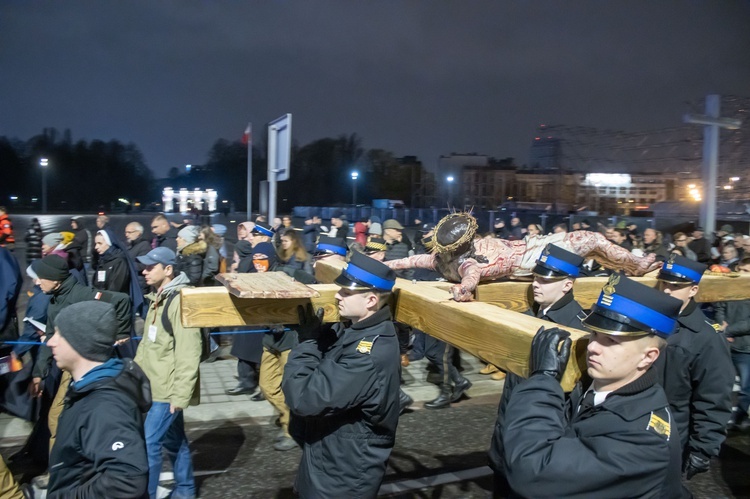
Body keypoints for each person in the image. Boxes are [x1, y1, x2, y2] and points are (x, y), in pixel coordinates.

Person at [494, 274, 684, 498]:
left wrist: (542, 382)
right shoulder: (592, 387)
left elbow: (533, 470)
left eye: (611, 341)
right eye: (594, 333)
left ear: (648, 357)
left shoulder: (645, 441)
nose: (593, 346)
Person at [282, 251, 401, 498]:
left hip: (342, 477)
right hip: (331, 460)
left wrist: (307, 344)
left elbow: (304, 399)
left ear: (370, 300)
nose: (337, 296)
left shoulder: (367, 354)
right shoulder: (358, 331)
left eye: (346, 293)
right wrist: (323, 336)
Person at [385, 212, 660, 302]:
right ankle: (636, 265)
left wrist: (381, 264)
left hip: (528, 245)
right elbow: (470, 279)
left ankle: (633, 266)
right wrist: (463, 290)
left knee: (593, 245)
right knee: (592, 240)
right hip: (531, 257)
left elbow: (409, 260)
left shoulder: (440, 261)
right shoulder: (468, 264)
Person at [46, 301, 150, 498]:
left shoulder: (105, 407)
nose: (50, 341)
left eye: (59, 334)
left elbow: (128, 479)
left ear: (80, 342)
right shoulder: (88, 387)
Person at [654, 254, 734, 481]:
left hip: (673, 436)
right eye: (664, 283)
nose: (667, 290)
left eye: (676, 286)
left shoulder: (706, 337)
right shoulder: (652, 321)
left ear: (693, 290)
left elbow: (714, 396)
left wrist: (703, 448)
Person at [134, 247, 201, 498]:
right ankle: (185, 490)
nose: (145, 271)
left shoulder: (179, 301)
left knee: (148, 444)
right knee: (175, 442)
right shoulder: (157, 297)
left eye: (151, 267)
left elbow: (189, 352)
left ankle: (148, 495)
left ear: (169, 269)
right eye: (145, 266)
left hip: (166, 390)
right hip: (153, 385)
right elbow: (148, 345)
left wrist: (180, 395)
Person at [226, 223, 277, 398]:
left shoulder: (263, 250)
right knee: (247, 346)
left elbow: (249, 271)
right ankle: (248, 382)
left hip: (259, 306)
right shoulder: (261, 249)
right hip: (253, 306)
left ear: (263, 237)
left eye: (253, 236)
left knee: (258, 348)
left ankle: (260, 385)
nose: (250, 238)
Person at [716, 257, 750, 431]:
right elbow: (720, 306)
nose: (742, 274)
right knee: (723, 384)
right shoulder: (730, 288)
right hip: (727, 344)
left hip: (746, 348)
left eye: (747, 271)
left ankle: (741, 417)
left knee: (745, 388)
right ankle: (723, 417)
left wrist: (728, 331)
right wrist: (722, 325)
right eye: (740, 270)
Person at [526, 243, 585, 328]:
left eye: (545, 280)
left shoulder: (577, 327)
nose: (534, 284)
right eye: (535, 277)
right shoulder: (534, 310)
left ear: (566, 286)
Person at [126, 222, 152, 295]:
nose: (126, 235)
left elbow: (143, 265)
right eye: (126, 232)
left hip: (139, 283)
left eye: (129, 232)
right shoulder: (131, 246)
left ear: (138, 233)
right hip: (133, 282)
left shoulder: (144, 245)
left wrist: (126, 265)